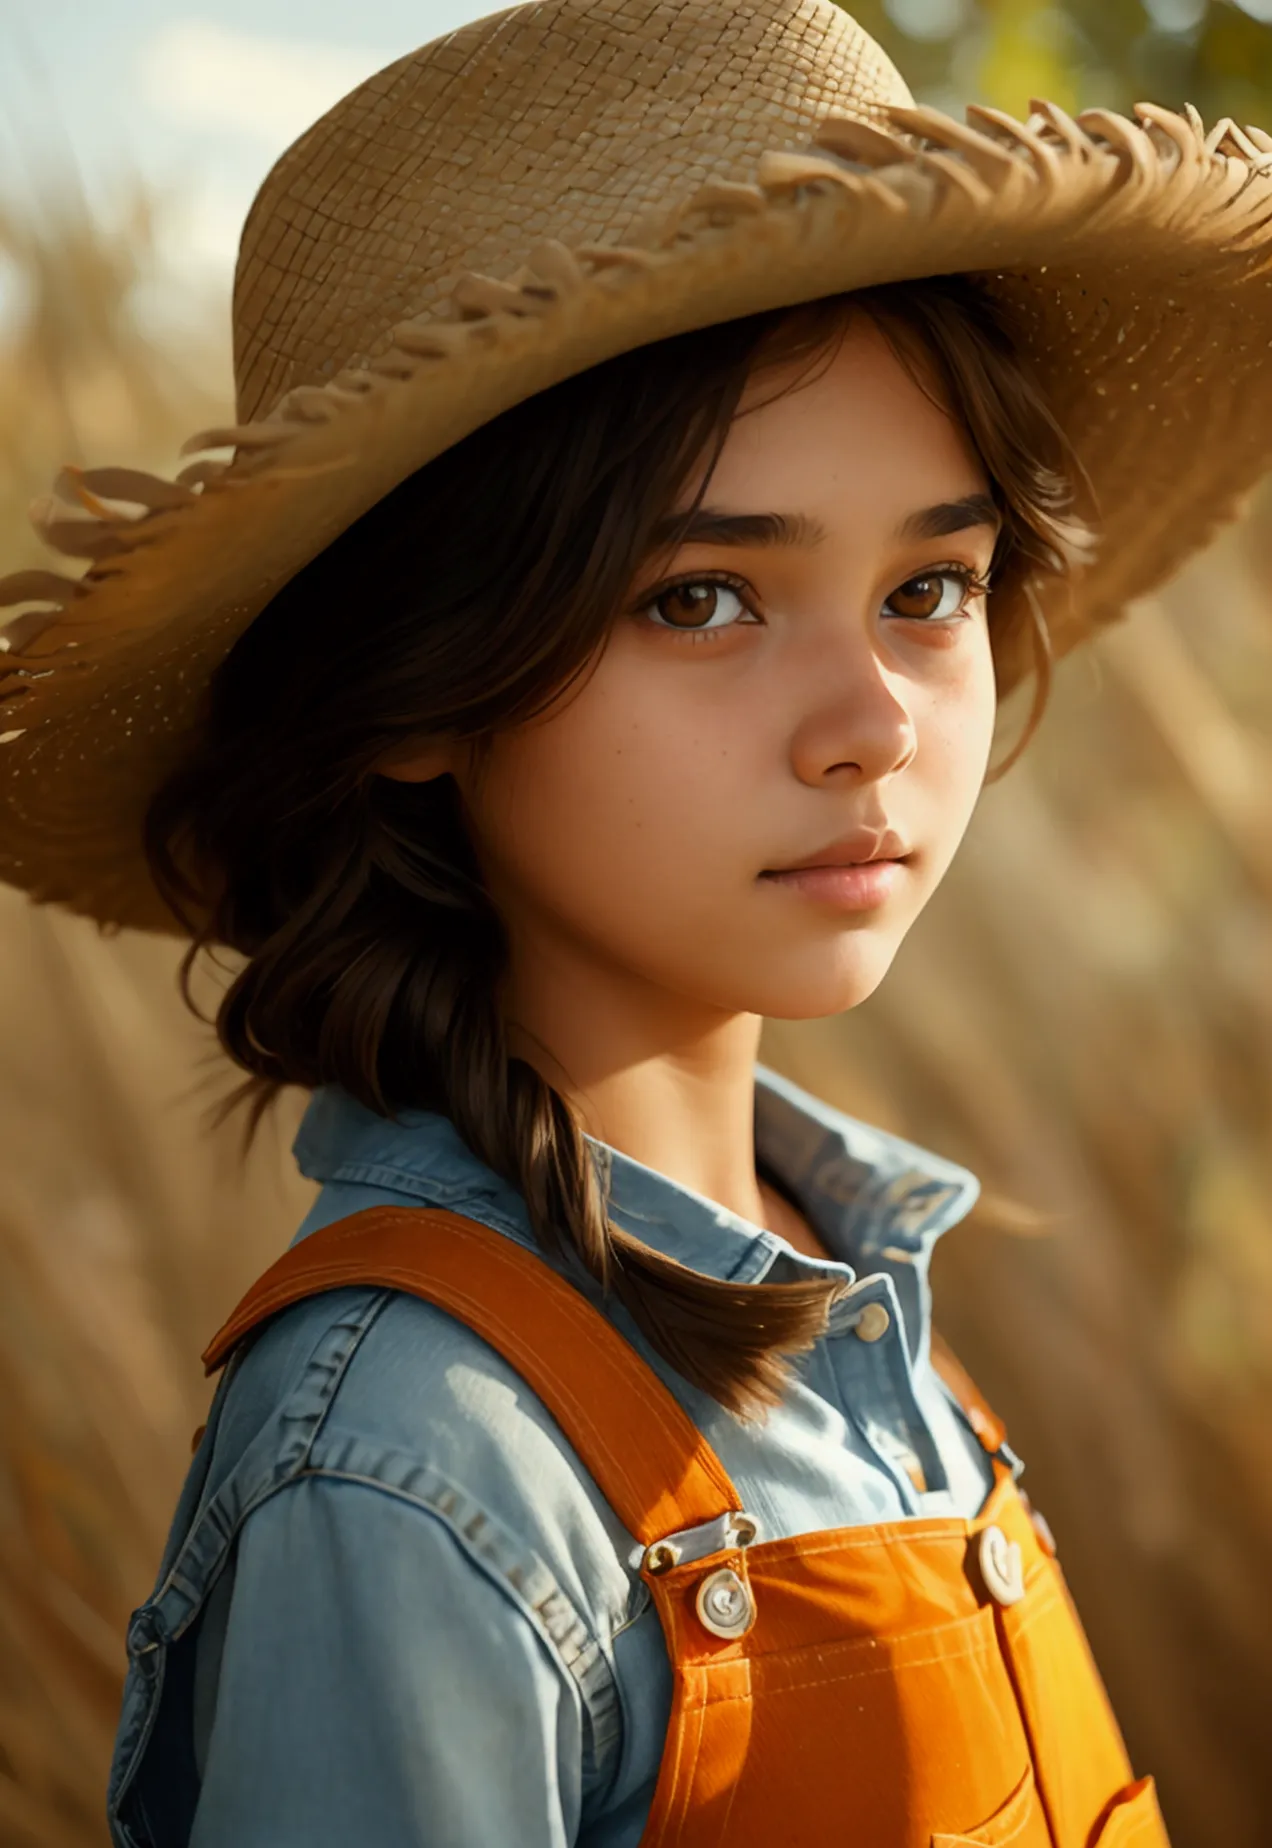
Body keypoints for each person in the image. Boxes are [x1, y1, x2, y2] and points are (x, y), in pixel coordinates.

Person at [2, 1, 1270, 1842]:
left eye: (931, 583)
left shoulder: (860, 1303)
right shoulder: (417, 1461)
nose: (874, 724)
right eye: (701, 600)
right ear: (419, 694)